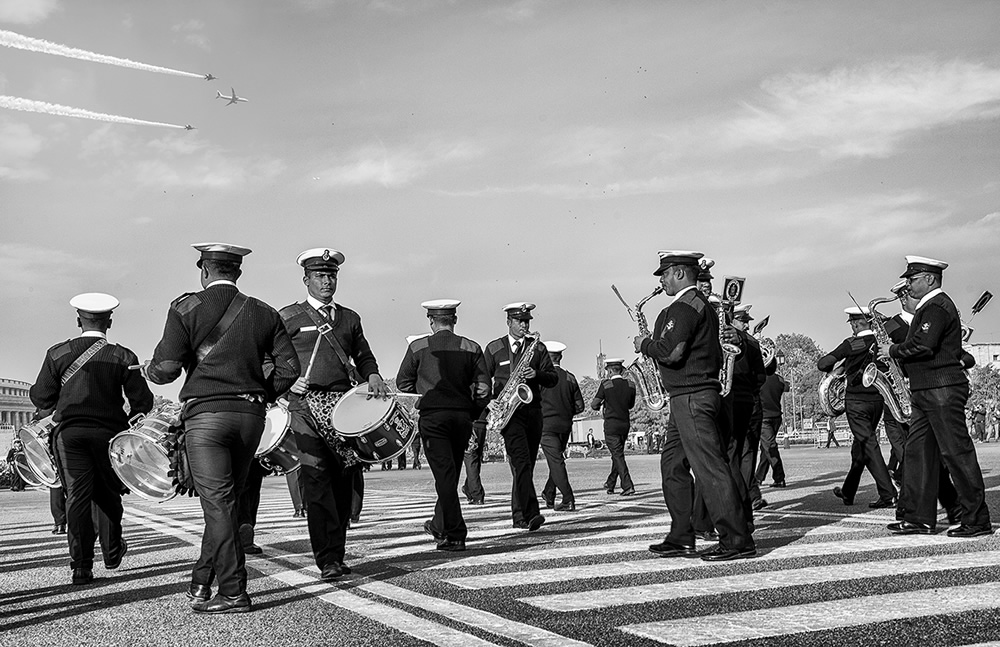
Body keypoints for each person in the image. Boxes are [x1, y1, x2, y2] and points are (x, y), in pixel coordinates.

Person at [145, 243, 299, 613]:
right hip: (250, 418)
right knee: (225, 503)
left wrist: (151, 370)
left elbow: (166, 368)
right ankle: (201, 581)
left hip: (206, 418)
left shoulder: (186, 307)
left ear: (203, 271)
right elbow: (290, 370)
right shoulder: (263, 311)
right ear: (238, 273)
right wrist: (260, 394)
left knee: (218, 503)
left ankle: (233, 591)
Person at [634, 250, 755, 562]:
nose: (661, 281)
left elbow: (671, 352)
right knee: (672, 464)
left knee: (710, 469)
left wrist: (644, 345)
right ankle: (681, 536)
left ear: (679, 273)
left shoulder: (686, 305)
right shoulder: (695, 305)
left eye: (664, 274)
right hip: (686, 397)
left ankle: (736, 539)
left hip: (693, 396)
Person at [278, 247, 388, 582]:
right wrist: (287, 383)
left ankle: (337, 554)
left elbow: (364, 355)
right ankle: (326, 558)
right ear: (306, 279)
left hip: (343, 409)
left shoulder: (350, 318)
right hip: (305, 409)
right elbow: (270, 361)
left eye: (331, 275)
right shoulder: (288, 317)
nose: (327, 281)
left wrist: (373, 374)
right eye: (320, 276)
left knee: (343, 482)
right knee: (317, 480)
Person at [30, 292, 154, 586]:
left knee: (77, 496)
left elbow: (40, 396)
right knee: (108, 493)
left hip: (69, 435)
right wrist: (130, 423)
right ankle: (112, 553)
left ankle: (81, 567)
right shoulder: (123, 356)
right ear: (110, 320)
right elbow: (143, 401)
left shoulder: (57, 353)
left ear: (78, 320)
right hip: (109, 435)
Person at [882, 255, 991, 537]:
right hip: (926, 390)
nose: (908, 284)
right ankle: (920, 517)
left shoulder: (937, 306)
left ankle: (977, 519)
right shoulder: (928, 307)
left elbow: (923, 345)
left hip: (941, 388)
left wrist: (892, 351)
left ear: (929, 279)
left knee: (956, 453)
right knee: (918, 454)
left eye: (912, 279)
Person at [396, 299, 490, 551]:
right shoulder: (471, 346)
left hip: (433, 417)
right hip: (462, 418)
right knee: (450, 475)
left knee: (444, 477)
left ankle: (456, 533)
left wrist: (425, 392)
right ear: (454, 320)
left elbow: (402, 383)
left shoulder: (418, 347)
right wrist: (472, 410)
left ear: (430, 321)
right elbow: (484, 388)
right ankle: (439, 525)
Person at [481, 303, 558, 531]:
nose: (524, 325)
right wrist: (488, 402)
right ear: (509, 322)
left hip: (532, 412)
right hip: (509, 413)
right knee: (521, 463)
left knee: (525, 466)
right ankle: (532, 513)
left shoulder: (538, 348)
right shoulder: (494, 348)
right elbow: (482, 379)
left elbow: (552, 378)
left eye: (527, 321)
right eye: (520, 321)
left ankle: (519, 516)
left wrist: (537, 374)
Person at [817, 306, 897, 509]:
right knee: (859, 448)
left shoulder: (853, 342)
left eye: (852, 322)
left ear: (854, 323)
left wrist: (837, 366)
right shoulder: (882, 342)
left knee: (868, 445)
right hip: (878, 399)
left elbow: (823, 363)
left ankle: (888, 494)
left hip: (857, 401)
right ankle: (848, 491)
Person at [725, 304, 768, 512]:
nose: (746, 326)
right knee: (745, 453)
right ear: (732, 321)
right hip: (750, 401)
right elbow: (761, 377)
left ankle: (744, 499)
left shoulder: (727, 341)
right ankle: (749, 496)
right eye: (743, 321)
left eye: (746, 322)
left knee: (739, 453)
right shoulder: (751, 342)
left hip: (734, 401)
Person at [540, 341, 585, 511]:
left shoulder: (541, 377)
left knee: (556, 461)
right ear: (561, 357)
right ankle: (549, 493)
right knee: (557, 460)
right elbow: (580, 406)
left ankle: (568, 498)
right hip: (565, 425)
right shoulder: (570, 377)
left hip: (546, 425)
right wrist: (565, 412)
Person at [591, 358, 637, 497]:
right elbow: (630, 405)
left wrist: (604, 402)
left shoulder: (606, 385)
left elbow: (594, 404)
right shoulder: (631, 384)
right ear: (621, 369)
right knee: (617, 455)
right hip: (625, 424)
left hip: (611, 425)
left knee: (617, 455)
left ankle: (627, 486)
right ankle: (610, 483)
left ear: (610, 370)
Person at [755, 356, 788, 489]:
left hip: (764, 417)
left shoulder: (758, 379)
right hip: (776, 417)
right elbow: (786, 387)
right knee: (766, 448)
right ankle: (758, 477)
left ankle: (779, 477)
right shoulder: (779, 380)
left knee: (770, 448)